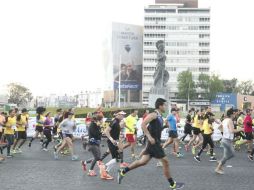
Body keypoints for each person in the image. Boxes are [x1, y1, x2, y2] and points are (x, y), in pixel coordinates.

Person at [117, 98, 184, 190]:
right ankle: (172, 184)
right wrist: (149, 137)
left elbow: (154, 127)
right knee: (166, 162)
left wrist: (164, 126)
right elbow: (143, 124)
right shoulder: (154, 114)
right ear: (160, 106)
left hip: (154, 142)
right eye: (164, 105)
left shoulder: (159, 116)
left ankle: (123, 171)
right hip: (154, 142)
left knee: (143, 162)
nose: (165, 106)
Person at [215, 108, 244, 174]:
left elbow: (220, 128)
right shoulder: (230, 120)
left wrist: (225, 132)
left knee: (226, 156)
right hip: (227, 141)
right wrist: (241, 129)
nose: (235, 115)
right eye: (234, 114)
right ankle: (219, 165)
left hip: (224, 139)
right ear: (232, 114)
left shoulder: (225, 120)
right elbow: (232, 131)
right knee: (232, 154)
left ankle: (220, 165)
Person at [101, 111, 127, 180]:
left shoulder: (117, 122)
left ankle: (105, 173)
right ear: (117, 115)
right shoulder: (114, 122)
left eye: (124, 115)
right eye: (122, 115)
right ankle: (104, 166)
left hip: (115, 142)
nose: (123, 116)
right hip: (112, 142)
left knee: (115, 159)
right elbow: (106, 131)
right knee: (117, 159)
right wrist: (112, 139)